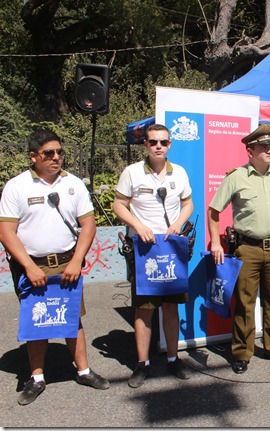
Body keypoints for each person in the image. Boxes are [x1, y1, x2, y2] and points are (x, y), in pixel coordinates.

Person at [0, 129, 109, 406]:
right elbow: (6, 232)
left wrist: (75, 261)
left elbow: (88, 225)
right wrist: (29, 267)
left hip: (66, 263)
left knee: (73, 317)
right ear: (33, 156)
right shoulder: (17, 186)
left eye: (60, 152)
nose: (56, 157)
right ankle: (36, 378)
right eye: (49, 153)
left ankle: (83, 371)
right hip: (32, 266)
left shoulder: (73, 184)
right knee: (38, 321)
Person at [207, 123, 270, 374]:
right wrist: (215, 242)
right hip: (247, 248)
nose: (269, 150)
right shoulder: (236, 177)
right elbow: (214, 211)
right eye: (263, 146)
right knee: (245, 304)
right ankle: (242, 352)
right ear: (250, 151)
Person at [112, 123, 194, 387]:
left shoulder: (179, 172)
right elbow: (118, 205)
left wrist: (179, 223)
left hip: (171, 248)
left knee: (171, 308)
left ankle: (173, 359)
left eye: (164, 142)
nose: (159, 146)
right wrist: (138, 226)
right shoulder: (132, 172)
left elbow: (188, 203)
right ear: (145, 145)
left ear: (170, 145)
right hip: (144, 249)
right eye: (153, 142)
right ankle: (142, 363)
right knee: (144, 310)